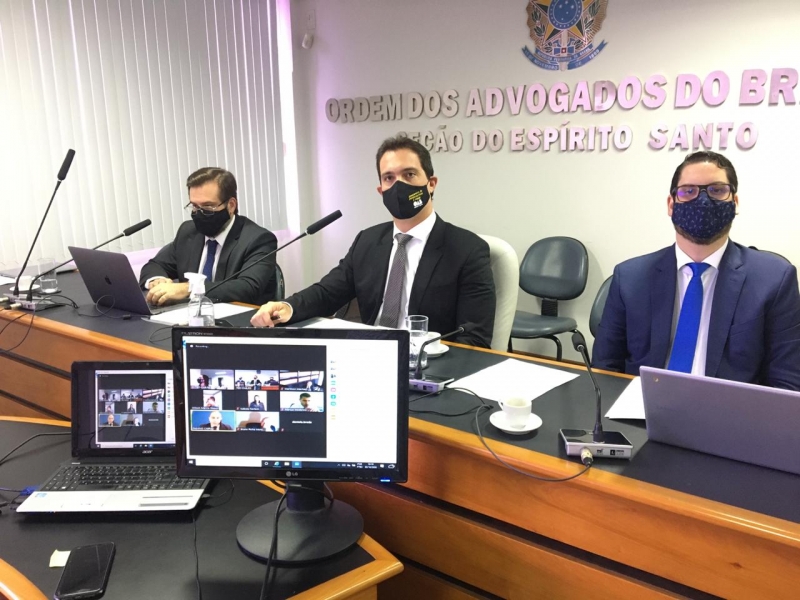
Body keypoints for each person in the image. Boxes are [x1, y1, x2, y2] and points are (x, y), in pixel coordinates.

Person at [251, 136, 496, 348]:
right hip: (371, 355)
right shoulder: (367, 241)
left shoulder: (467, 250)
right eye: (389, 178)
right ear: (381, 191)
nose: (399, 185)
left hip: (428, 367)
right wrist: (287, 307)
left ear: (431, 184)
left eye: (409, 174)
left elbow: (474, 339)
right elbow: (327, 293)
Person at [593, 151, 800, 390]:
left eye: (717, 190)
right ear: (671, 204)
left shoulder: (775, 279)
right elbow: (605, 369)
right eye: (688, 191)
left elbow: (787, 382)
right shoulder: (630, 277)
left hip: (729, 410)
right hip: (642, 406)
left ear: (734, 203)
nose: (702, 201)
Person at [139, 167, 278, 305]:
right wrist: (157, 280)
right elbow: (155, 265)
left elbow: (248, 287)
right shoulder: (188, 231)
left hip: (240, 316)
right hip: (189, 314)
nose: (199, 214)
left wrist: (190, 288)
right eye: (194, 206)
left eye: (207, 207)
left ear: (231, 205)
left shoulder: (259, 239)